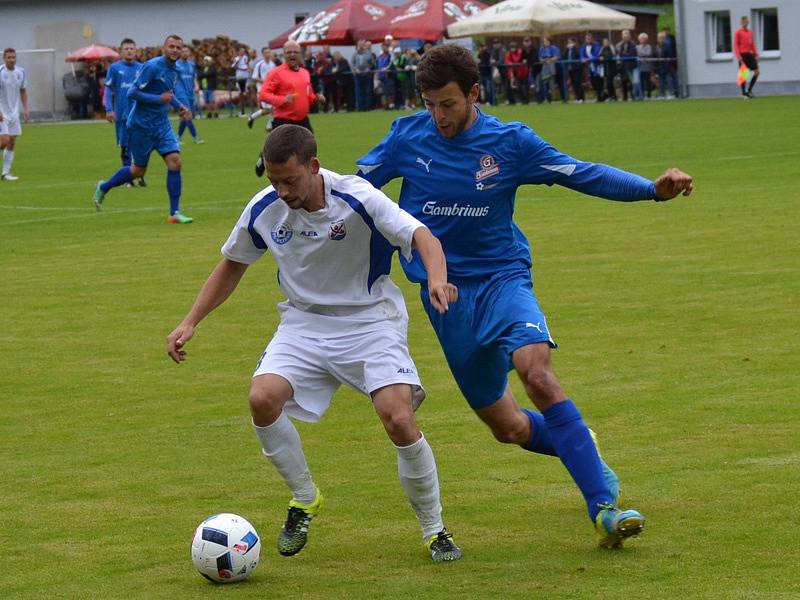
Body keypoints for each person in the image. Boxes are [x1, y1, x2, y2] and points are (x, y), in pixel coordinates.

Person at [356, 44, 694, 549]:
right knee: (509, 427)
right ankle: (579, 445)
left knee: (536, 373)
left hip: (503, 279)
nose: (438, 116)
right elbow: (356, 195)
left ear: (474, 93)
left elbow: (580, 173)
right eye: (429, 104)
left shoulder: (509, 142)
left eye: (447, 104)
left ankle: (604, 506)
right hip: (446, 299)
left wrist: (652, 189)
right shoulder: (407, 136)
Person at [166, 124, 463, 563]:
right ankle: (304, 498)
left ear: (314, 167)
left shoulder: (358, 197)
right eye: (273, 181)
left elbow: (423, 237)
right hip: (304, 323)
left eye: (290, 180)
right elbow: (232, 264)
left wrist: (438, 279)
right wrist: (191, 321)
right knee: (261, 398)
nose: (282, 190)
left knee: (397, 418)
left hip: (369, 321)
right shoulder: (264, 209)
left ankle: (434, 529)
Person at [92, 34, 194, 224]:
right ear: (164, 48)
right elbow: (133, 93)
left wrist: (179, 106)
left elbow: (167, 94)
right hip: (140, 125)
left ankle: (174, 212)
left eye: (178, 47)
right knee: (138, 171)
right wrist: (158, 100)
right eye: (171, 46)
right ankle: (104, 186)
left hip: (161, 124)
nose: (174, 50)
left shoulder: (176, 69)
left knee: (175, 161)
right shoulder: (152, 66)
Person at [254, 41, 324, 177]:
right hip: (283, 120)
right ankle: (263, 158)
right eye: (289, 52)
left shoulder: (304, 73)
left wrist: (316, 98)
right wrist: (282, 100)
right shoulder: (277, 73)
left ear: (300, 54)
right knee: (276, 151)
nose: (292, 54)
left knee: (310, 148)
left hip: (303, 120)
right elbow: (263, 94)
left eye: (295, 52)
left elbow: (308, 95)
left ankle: (309, 175)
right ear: (284, 54)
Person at [103, 38, 145, 186]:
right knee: (125, 146)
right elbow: (108, 89)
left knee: (140, 144)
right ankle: (128, 177)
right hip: (122, 114)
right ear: (121, 52)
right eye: (126, 48)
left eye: (132, 48)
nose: (129, 51)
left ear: (136, 51)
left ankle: (139, 174)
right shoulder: (114, 68)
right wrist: (109, 109)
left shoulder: (142, 68)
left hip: (139, 114)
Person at [0, 48, 30, 181]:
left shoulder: (21, 72)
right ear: (4, 59)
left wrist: (26, 109)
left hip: (14, 112)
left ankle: (5, 173)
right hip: (1, 111)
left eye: (13, 57)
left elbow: (23, 90)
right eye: (9, 57)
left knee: (12, 141)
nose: (12, 59)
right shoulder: (0, 72)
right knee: (5, 140)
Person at [175, 46, 203, 144]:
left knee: (184, 117)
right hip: (181, 93)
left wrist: (196, 86)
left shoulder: (192, 64)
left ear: (189, 52)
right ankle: (196, 137)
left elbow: (194, 77)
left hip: (190, 92)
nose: (185, 53)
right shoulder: (176, 64)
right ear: (180, 53)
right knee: (188, 114)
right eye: (182, 51)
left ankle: (177, 138)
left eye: (186, 51)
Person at [248, 47, 278, 130]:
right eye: (266, 53)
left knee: (273, 108)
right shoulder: (259, 65)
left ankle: (269, 126)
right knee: (268, 109)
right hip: (262, 90)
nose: (268, 54)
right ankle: (252, 117)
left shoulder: (273, 64)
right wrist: (264, 81)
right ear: (263, 54)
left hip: (271, 89)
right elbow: (254, 77)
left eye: (269, 52)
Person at [734, 16, 759, 98]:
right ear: (741, 23)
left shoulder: (750, 32)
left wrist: (756, 54)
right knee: (743, 75)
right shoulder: (738, 32)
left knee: (757, 72)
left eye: (747, 21)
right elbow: (736, 45)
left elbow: (752, 44)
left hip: (749, 54)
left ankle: (749, 90)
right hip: (742, 55)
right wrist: (739, 56)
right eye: (744, 22)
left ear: (748, 22)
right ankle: (744, 93)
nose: (745, 23)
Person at [351, 40, 375, 111]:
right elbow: (352, 63)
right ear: (358, 45)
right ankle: (360, 107)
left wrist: (369, 68)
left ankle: (367, 107)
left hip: (367, 75)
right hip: (358, 76)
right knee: (359, 92)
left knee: (367, 91)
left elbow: (372, 63)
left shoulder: (369, 53)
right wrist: (355, 69)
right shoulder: (355, 54)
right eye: (359, 44)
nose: (361, 46)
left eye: (362, 44)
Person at [615, 30, 639, 101]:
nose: (626, 37)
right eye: (624, 36)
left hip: (631, 66)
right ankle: (624, 97)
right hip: (622, 66)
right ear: (622, 37)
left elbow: (631, 54)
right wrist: (623, 55)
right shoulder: (620, 45)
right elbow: (618, 54)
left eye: (627, 36)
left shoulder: (633, 44)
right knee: (623, 82)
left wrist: (623, 55)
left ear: (629, 36)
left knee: (631, 82)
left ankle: (633, 96)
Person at [580, 33, 603, 101]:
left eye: (589, 38)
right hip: (589, 67)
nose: (588, 40)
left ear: (592, 39)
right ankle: (601, 94)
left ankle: (600, 97)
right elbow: (581, 54)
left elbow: (596, 55)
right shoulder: (583, 46)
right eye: (587, 39)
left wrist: (587, 59)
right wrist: (582, 59)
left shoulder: (596, 45)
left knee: (598, 81)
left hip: (597, 66)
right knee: (592, 82)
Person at [231, 46, 251, 115]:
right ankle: (242, 110)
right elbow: (233, 66)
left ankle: (250, 107)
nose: (243, 52)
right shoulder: (236, 58)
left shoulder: (245, 58)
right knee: (240, 93)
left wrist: (242, 68)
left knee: (246, 93)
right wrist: (237, 62)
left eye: (243, 51)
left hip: (245, 77)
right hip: (239, 77)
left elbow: (246, 66)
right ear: (239, 52)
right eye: (241, 51)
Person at [564, 37, 584, 102]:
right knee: (573, 84)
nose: (569, 44)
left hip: (577, 68)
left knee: (578, 83)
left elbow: (578, 54)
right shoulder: (568, 50)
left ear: (574, 42)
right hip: (570, 68)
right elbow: (563, 56)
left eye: (570, 42)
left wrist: (574, 47)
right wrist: (567, 49)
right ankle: (577, 98)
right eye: (568, 42)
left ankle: (581, 98)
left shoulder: (577, 48)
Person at [636, 33, 654, 99]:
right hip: (640, 67)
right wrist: (642, 54)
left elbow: (648, 53)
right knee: (641, 81)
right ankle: (642, 94)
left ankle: (649, 94)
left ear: (646, 39)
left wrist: (641, 54)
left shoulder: (649, 46)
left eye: (644, 39)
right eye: (641, 39)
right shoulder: (637, 47)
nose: (642, 40)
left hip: (647, 67)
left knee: (648, 81)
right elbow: (637, 54)